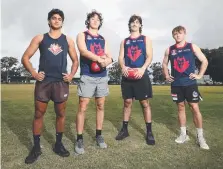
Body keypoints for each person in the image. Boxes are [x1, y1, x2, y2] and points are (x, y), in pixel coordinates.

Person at [22, 9, 79, 164]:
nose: (56, 20)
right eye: (53, 18)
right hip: (44, 82)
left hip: (61, 83)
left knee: (61, 114)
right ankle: (36, 148)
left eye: (59, 18)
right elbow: (25, 57)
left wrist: (72, 75)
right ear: (49, 21)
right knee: (39, 114)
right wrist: (34, 73)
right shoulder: (40, 38)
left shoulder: (68, 40)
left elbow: (75, 60)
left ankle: (58, 145)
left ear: (62, 22)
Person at [162, 25, 209, 150]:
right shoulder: (169, 50)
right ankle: (184, 134)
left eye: (180, 33)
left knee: (194, 107)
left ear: (184, 34)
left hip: (190, 83)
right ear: (173, 35)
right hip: (176, 84)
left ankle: (200, 137)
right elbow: (164, 64)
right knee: (180, 108)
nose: (178, 35)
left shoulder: (192, 47)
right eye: (175, 34)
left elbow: (204, 60)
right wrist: (166, 75)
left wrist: (199, 75)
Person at [75, 10, 113, 154]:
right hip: (87, 75)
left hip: (102, 76)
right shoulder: (82, 35)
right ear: (88, 21)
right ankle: (79, 138)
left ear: (100, 22)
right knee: (83, 106)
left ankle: (99, 135)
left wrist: (107, 61)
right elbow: (83, 51)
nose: (95, 20)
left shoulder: (103, 39)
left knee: (100, 105)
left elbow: (110, 57)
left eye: (97, 19)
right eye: (92, 18)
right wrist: (99, 59)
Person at [115, 15, 155, 145]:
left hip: (140, 74)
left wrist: (143, 69)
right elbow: (120, 57)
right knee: (127, 102)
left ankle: (149, 132)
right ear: (129, 25)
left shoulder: (145, 39)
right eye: (132, 22)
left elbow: (149, 56)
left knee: (145, 103)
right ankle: (124, 129)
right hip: (128, 75)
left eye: (137, 22)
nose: (134, 24)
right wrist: (123, 67)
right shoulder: (124, 41)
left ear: (140, 25)